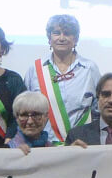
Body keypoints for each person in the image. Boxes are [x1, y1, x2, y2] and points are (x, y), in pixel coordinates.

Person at [23, 13, 99, 143]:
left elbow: (99, 109)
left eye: (67, 33)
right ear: (49, 38)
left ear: (76, 39)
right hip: (44, 146)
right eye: (56, 33)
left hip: (82, 145)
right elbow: (24, 110)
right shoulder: (35, 69)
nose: (62, 38)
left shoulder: (89, 68)